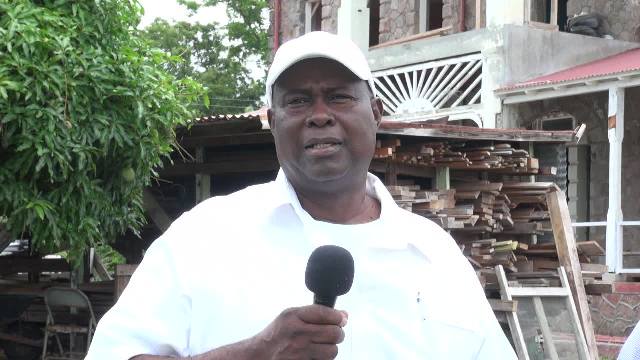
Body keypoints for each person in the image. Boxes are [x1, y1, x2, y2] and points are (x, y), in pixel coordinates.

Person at [86, 31, 516, 359]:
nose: (320, 116)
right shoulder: (203, 237)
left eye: (339, 97)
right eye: (298, 101)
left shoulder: (435, 254)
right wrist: (256, 352)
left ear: (377, 113)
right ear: (273, 121)